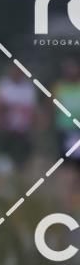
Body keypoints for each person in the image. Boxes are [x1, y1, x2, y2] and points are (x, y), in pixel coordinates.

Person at [0, 63, 38, 185]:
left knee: (21, 161)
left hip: (21, 130)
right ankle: (0, 184)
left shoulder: (28, 89)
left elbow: (31, 111)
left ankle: (17, 184)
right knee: (3, 158)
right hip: (5, 129)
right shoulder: (3, 85)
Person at [53, 57, 80, 209]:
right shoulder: (59, 87)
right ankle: (68, 202)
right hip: (66, 132)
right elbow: (49, 108)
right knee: (69, 169)